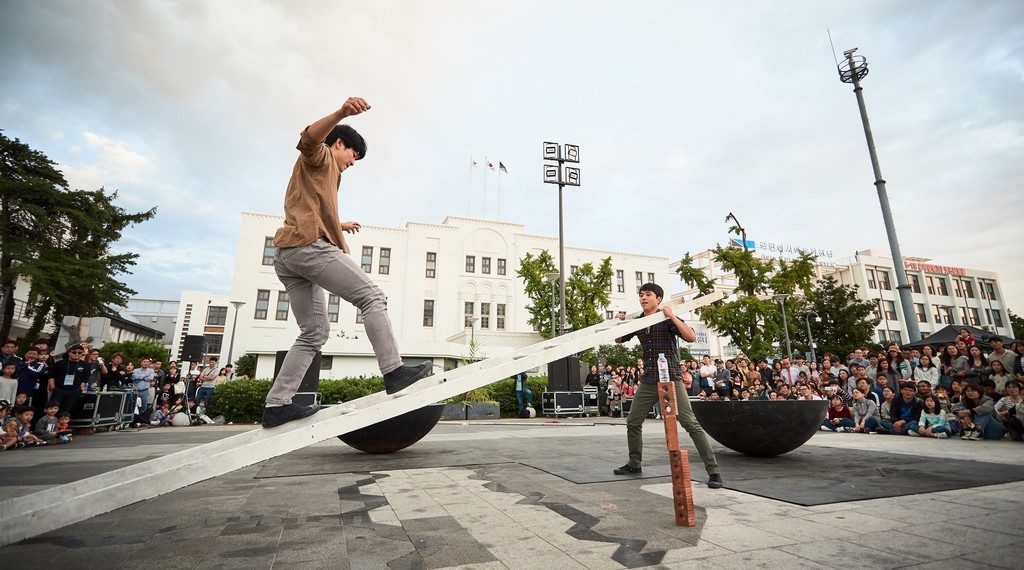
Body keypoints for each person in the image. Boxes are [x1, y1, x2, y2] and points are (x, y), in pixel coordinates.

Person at [263, 98, 431, 429]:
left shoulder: (324, 176)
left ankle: (276, 404)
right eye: (353, 155)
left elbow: (307, 207)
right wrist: (341, 113)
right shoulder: (321, 155)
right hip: (309, 248)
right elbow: (308, 139)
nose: (353, 163)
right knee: (372, 297)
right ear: (339, 144)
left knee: (314, 332)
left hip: (288, 254)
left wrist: (338, 225)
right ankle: (394, 371)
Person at [611, 283, 722, 489]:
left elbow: (690, 336)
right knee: (633, 421)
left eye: (648, 295)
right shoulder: (639, 322)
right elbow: (619, 339)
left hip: (671, 378)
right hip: (648, 380)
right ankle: (634, 463)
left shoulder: (666, 319)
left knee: (690, 424)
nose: (644, 298)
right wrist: (620, 323)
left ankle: (713, 471)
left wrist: (671, 315)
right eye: (641, 295)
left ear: (658, 299)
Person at [47, 344, 90, 415]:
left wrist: (80, 388)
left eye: (79, 353)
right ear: (69, 352)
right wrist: (53, 388)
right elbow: (51, 376)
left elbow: (85, 378)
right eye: (74, 352)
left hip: (74, 390)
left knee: (66, 411)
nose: (77, 354)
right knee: (52, 409)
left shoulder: (84, 365)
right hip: (59, 389)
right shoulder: (60, 363)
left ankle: (61, 425)